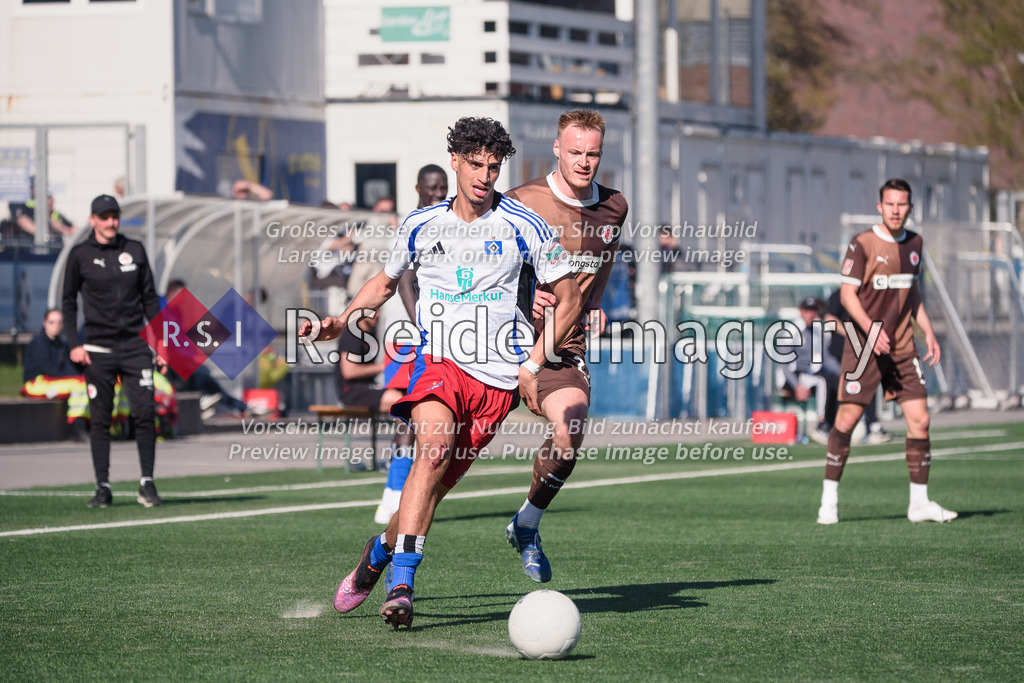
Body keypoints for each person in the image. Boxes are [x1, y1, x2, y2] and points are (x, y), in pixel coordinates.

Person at [300, 116, 581, 628]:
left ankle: (378, 555)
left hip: (497, 383)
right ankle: (402, 585)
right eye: (476, 164)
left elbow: (570, 297)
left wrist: (535, 363)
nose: (484, 175)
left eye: (493, 167)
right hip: (439, 363)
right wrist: (341, 319)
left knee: (431, 488)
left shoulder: (524, 224)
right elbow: (384, 284)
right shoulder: (420, 223)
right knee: (429, 451)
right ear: (455, 161)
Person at [502, 109, 629, 582]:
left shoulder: (615, 205)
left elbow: (605, 260)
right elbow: (492, 260)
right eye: (574, 152)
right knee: (441, 457)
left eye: (592, 153)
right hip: (498, 340)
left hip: (559, 346)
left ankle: (527, 524)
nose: (583, 162)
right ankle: (390, 559)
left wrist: (593, 301)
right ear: (557, 149)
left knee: (571, 428)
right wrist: (522, 290)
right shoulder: (520, 201)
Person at [817, 178, 955, 525]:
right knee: (846, 421)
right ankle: (829, 502)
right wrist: (870, 329)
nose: (896, 210)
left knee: (921, 420)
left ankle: (919, 503)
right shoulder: (862, 243)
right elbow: (848, 296)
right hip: (864, 348)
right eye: (890, 204)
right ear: (880, 206)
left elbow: (912, 293)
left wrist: (929, 331)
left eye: (902, 204)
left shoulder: (915, 243)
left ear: (910, 207)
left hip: (903, 348)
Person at [62, 194, 165, 508]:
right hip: (97, 349)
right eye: (104, 217)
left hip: (136, 346)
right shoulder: (79, 255)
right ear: (93, 220)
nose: (110, 222)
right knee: (101, 420)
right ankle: (103, 487)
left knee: (145, 415)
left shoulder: (134, 249)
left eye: (114, 216)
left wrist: (160, 343)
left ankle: (147, 484)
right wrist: (74, 345)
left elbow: (149, 299)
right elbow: (68, 303)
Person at [372, 163, 450, 525]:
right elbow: (405, 278)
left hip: (432, 333)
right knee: (409, 416)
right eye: (432, 187)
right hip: (409, 335)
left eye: (442, 187)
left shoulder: (446, 219)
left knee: (423, 420)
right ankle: (391, 497)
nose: (437, 192)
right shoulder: (416, 221)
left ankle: (399, 494)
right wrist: (422, 323)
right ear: (418, 186)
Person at [163, 279, 251, 418]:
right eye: (181, 295)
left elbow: (182, 341)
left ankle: (237, 406)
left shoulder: (177, 314)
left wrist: (193, 357)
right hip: (172, 363)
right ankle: (234, 406)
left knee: (204, 376)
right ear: (171, 293)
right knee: (202, 377)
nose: (184, 300)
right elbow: (170, 344)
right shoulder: (162, 312)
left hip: (183, 361)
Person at [825, 289, 894, 445]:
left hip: (863, 350)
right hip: (843, 352)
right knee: (851, 389)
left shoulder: (870, 295)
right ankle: (837, 428)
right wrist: (852, 334)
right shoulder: (840, 294)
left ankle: (871, 426)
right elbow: (830, 320)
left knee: (865, 386)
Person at [779, 297, 840, 446]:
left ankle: (832, 427)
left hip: (809, 375)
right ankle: (821, 425)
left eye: (813, 311)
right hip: (792, 377)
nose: (810, 315)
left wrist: (844, 375)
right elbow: (783, 363)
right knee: (822, 381)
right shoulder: (791, 330)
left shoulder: (818, 330)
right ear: (801, 312)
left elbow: (826, 358)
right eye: (807, 311)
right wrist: (796, 386)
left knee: (835, 382)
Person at [22, 309, 78, 382]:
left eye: (59, 322)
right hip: (36, 381)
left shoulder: (60, 344)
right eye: (52, 322)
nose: (56, 325)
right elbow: (49, 370)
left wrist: (77, 376)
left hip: (52, 380)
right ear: (44, 322)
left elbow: (67, 367)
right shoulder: (37, 343)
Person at [10, 192, 76, 239]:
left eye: (51, 199)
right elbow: (25, 223)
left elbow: (72, 229)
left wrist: (61, 228)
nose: (50, 203)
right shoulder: (31, 213)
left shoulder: (57, 215)